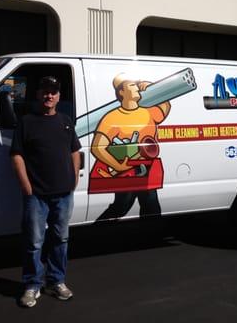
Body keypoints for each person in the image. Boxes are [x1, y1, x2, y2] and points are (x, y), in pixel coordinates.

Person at [10, 76, 81, 308]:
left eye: (53, 92)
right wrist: (25, 186)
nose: (49, 95)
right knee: (34, 242)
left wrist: (74, 178)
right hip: (36, 194)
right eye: (45, 91)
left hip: (63, 193)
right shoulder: (26, 122)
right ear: (38, 95)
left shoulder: (65, 121)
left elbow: (75, 150)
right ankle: (32, 285)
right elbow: (16, 154)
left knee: (61, 239)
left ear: (59, 96)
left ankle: (57, 281)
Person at [91, 73, 170, 220]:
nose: (137, 88)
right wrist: (118, 166)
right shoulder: (112, 117)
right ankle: (95, 231)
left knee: (151, 205)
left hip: (147, 168)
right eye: (132, 85)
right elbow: (97, 146)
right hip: (126, 171)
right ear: (121, 92)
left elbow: (165, 104)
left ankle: (150, 236)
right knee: (122, 205)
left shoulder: (148, 112)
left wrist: (150, 85)